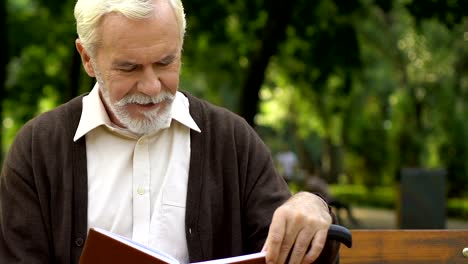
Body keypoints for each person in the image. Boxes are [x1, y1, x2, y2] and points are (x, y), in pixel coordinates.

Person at [0, 0, 339, 263]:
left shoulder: (231, 140)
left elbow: (299, 253)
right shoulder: (37, 149)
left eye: (165, 62)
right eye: (129, 67)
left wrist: (313, 208)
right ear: (88, 58)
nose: (150, 87)